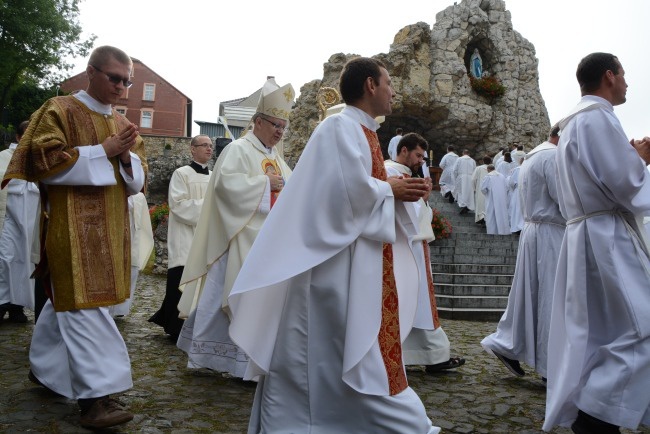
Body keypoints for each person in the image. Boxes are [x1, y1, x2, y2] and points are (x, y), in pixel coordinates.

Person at [228, 57, 438, 433]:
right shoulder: (337, 128)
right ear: (370, 85)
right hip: (334, 265)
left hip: (361, 260)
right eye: (389, 83)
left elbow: (362, 192)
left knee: (347, 344)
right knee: (326, 345)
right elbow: (337, 195)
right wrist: (391, 189)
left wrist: (401, 196)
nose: (394, 91)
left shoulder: (367, 132)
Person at [3, 45, 146, 429]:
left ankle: (45, 370)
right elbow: (41, 161)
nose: (121, 87)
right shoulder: (60, 109)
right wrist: (104, 151)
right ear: (90, 72)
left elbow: (137, 182)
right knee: (85, 306)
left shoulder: (121, 123)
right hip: (70, 228)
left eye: (126, 81)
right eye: (114, 78)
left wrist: (126, 157)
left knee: (65, 301)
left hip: (111, 229)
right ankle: (96, 399)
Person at [543, 52, 650, 434]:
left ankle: (601, 412)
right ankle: (596, 415)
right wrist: (641, 160)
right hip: (607, 236)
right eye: (623, 74)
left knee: (610, 331)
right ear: (609, 76)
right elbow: (626, 187)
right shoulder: (599, 119)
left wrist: (631, 160)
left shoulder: (574, 123)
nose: (626, 83)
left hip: (585, 233)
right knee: (643, 325)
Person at [176, 78, 294, 378]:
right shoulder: (239, 149)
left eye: (283, 126)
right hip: (237, 239)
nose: (279, 131)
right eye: (274, 124)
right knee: (223, 297)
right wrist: (264, 185)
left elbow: (292, 190)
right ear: (257, 121)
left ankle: (249, 360)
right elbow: (226, 188)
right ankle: (214, 356)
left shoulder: (275, 157)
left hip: (267, 242)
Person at [481, 125, 564, 380]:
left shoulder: (534, 155)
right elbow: (566, 199)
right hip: (550, 233)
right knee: (552, 297)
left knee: (529, 296)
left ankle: (509, 345)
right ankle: (551, 366)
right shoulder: (552, 157)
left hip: (535, 231)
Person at [386, 133, 466, 374]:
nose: (422, 161)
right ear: (403, 151)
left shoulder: (408, 173)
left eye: (423, 156)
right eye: (418, 155)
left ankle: (430, 354)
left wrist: (424, 198)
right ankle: (429, 355)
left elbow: (417, 211)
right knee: (412, 301)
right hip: (402, 247)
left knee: (419, 302)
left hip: (415, 246)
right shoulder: (389, 171)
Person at [148, 135, 212, 339]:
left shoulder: (214, 177)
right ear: (192, 149)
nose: (209, 149)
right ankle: (175, 328)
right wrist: (210, 206)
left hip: (205, 238)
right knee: (181, 281)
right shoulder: (181, 174)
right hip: (185, 236)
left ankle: (195, 327)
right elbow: (178, 205)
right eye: (204, 145)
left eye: (211, 146)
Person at [0, 120, 39, 323]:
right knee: (5, 259)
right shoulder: (4, 158)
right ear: (17, 137)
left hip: (32, 223)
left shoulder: (39, 161)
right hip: (9, 220)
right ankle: (2, 303)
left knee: (27, 264)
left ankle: (17, 306)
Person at [109, 192, 153, 318]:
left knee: (131, 271)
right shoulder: (112, 191)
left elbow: (143, 222)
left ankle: (121, 308)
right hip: (115, 236)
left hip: (133, 238)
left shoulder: (139, 197)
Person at [480, 164, 510, 235]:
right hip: (502, 199)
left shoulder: (488, 176)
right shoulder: (502, 176)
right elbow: (506, 187)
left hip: (491, 198)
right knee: (501, 214)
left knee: (491, 215)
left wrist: (486, 193)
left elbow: (483, 188)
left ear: (488, 170)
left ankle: (492, 231)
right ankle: (503, 231)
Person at [453, 149, 476, 214]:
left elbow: (454, 170)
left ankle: (463, 205)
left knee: (461, 191)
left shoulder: (459, 159)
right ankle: (468, 205)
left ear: (463, 153)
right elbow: (474, 170)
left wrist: (455, 177)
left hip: (461, 177)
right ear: (469, 154)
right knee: (469, 192)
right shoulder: (472, 161)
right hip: (470, 177)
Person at [472, 155, 491, 226]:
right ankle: (487, 218)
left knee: (480, 204)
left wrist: (474, 188)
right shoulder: (493, 169)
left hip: (480, 189)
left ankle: (480, 218)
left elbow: (473, 179)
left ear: (483, 161)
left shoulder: (479, 168)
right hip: (490, 190)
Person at [507, 157, 525, 234]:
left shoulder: (517, 169)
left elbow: (511, 182)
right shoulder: (529, 167)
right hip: (527, 191)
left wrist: (513, 188)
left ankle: (517, 227)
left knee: (516, 209)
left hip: (518, 190)